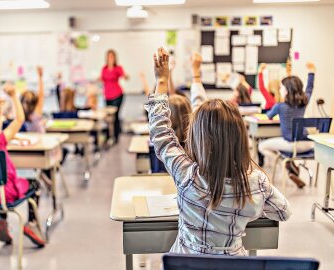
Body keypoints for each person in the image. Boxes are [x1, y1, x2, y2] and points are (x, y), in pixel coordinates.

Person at [146, 47, 291, 255]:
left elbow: (161, 134)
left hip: (185, 264)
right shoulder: (255, 181)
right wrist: (251, 205)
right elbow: (283, 212)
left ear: (197, 136)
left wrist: (161, 82)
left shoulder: (187, 175)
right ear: (239, 137)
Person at [0, 83, 45, 247]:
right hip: (6, 193)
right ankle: (31, 223)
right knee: (34, 183)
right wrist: (14, 96)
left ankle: (2, 221)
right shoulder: (1, 140)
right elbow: (20, 119)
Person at [258, 62, 316, 188]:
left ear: (287, 90)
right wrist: (312, 72)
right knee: (280, 146)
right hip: (308, 144)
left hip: (291, 145)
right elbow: (309, 88)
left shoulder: (280, 106)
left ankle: (286, 166)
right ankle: (290, 166)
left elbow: (268, 117)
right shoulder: (303, 103)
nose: (279, 89)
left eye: (281, 87)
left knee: (262, 146)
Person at [100, 49, 129, 143]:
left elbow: (124, 76)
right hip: (107, 95)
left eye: (112, 56)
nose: (110, 58)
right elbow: (101, 79)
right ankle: (108, 136)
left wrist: (126, 76)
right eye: (109, 56)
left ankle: (116, 137)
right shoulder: (104, 68)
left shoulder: (118, 68)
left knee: (115, 116)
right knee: (107, 116)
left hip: (117, 95)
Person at [20, 66, 46, 133]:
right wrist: (40, 77)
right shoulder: (37, 111)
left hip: (30, 139)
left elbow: (41, 94)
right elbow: (41, 94)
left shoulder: (21, 114)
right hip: (39, 138)